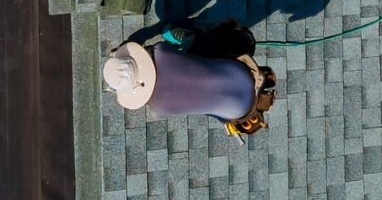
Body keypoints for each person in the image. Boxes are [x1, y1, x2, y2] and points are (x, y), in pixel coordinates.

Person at [102, 20, 278, 136]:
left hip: (241, 111)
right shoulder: (160, 52)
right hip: (244, 70)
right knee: (199, 52)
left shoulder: (159, 111)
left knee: (205, 100)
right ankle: (186, 35)